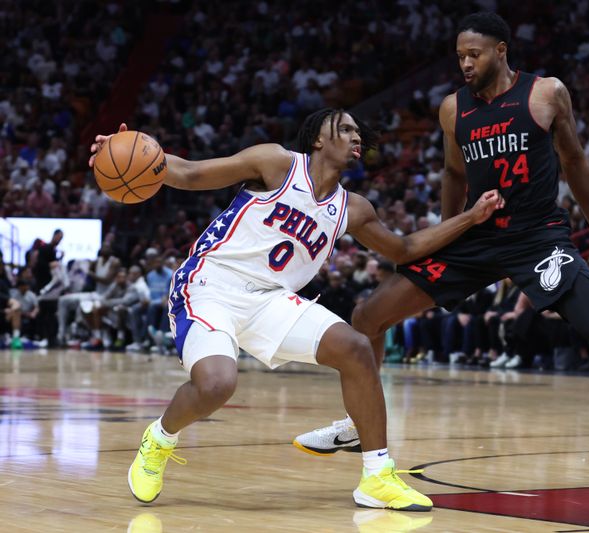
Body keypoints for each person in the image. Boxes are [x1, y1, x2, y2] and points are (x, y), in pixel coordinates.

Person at [295, 12, 589, 489]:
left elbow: (574, 162)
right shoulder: (452, 109)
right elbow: (453, 175)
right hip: (477, 237)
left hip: (538, 239)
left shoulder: (546, 93)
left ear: (501, 50)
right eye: (460, 56)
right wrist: (448, 232)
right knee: (367, 316)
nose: (465, 63)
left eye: (474, 54)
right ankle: (354, 427)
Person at [89, 110, 503, 510]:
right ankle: (159, 439)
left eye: (358, 132)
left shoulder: (352, 208)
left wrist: (470, 217)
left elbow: (405, 249)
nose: (356, 137)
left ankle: (377, 477)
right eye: (345, 129)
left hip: (271, 299)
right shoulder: (276, 162)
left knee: (357, 348)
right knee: (216, 385)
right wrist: (131, 151)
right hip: (210, 284)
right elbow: (191, 173)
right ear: (319, 139)